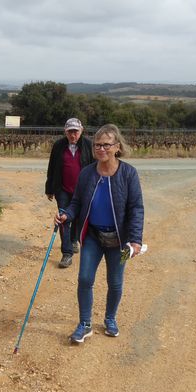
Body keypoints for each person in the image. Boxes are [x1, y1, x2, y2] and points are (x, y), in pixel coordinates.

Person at [55, 124, 144, 344]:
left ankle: (110, 319)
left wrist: (135, 240)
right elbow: (76, 202)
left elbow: (136, 208)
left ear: (117, 147)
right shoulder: (87, 173)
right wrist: (66, 215)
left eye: (106, 145)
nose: (101, 149)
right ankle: (85, 324)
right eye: (97, 145)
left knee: (115, 282)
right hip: (92, 237)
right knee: (85, 278)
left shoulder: (129, 173)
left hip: (120, 241)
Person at [45, 117, 93, 269]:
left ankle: (73, 240)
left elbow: (95, 168)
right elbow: (52, 167)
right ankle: (67, 253)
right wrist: (49, 188)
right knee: (64, 220)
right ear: (65, 132)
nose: (73, 135)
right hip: (63, 190)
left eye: (76, 132)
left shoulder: (89, 145)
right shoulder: (59, 146)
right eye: (70, 132)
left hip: (82, 191)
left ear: (81, 131)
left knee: (78, 218)